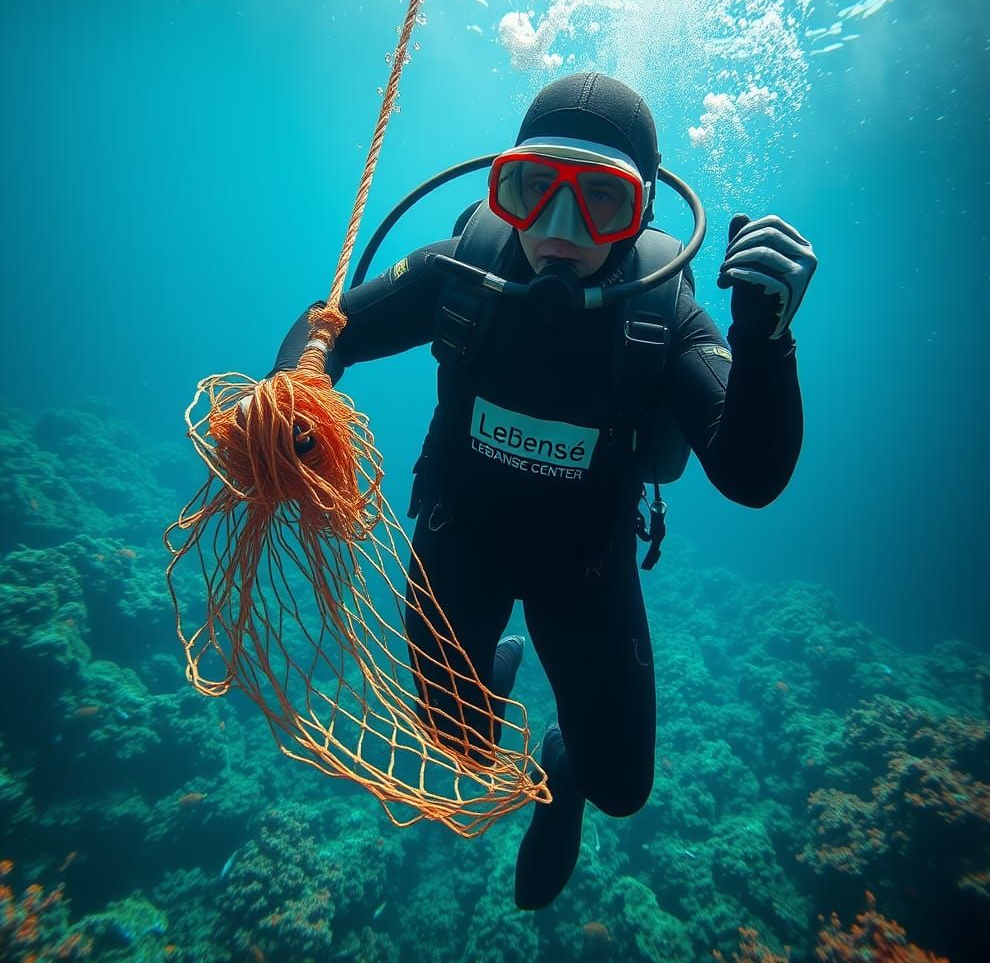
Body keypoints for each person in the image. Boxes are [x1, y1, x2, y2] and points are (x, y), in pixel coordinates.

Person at [268, 72, 816, 909]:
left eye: (601, 201)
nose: (562, 232)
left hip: (585, 568)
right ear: (505, 186)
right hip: (463, 535)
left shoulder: (661, 311)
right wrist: (296, 390)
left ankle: (562, 768)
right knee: (459, 743)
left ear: (640, 216)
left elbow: (748, 473)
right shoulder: (467, 270)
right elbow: (330, 324)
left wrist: (766, 342)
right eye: (534, 190)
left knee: (621, 787)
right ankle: (494, 670)